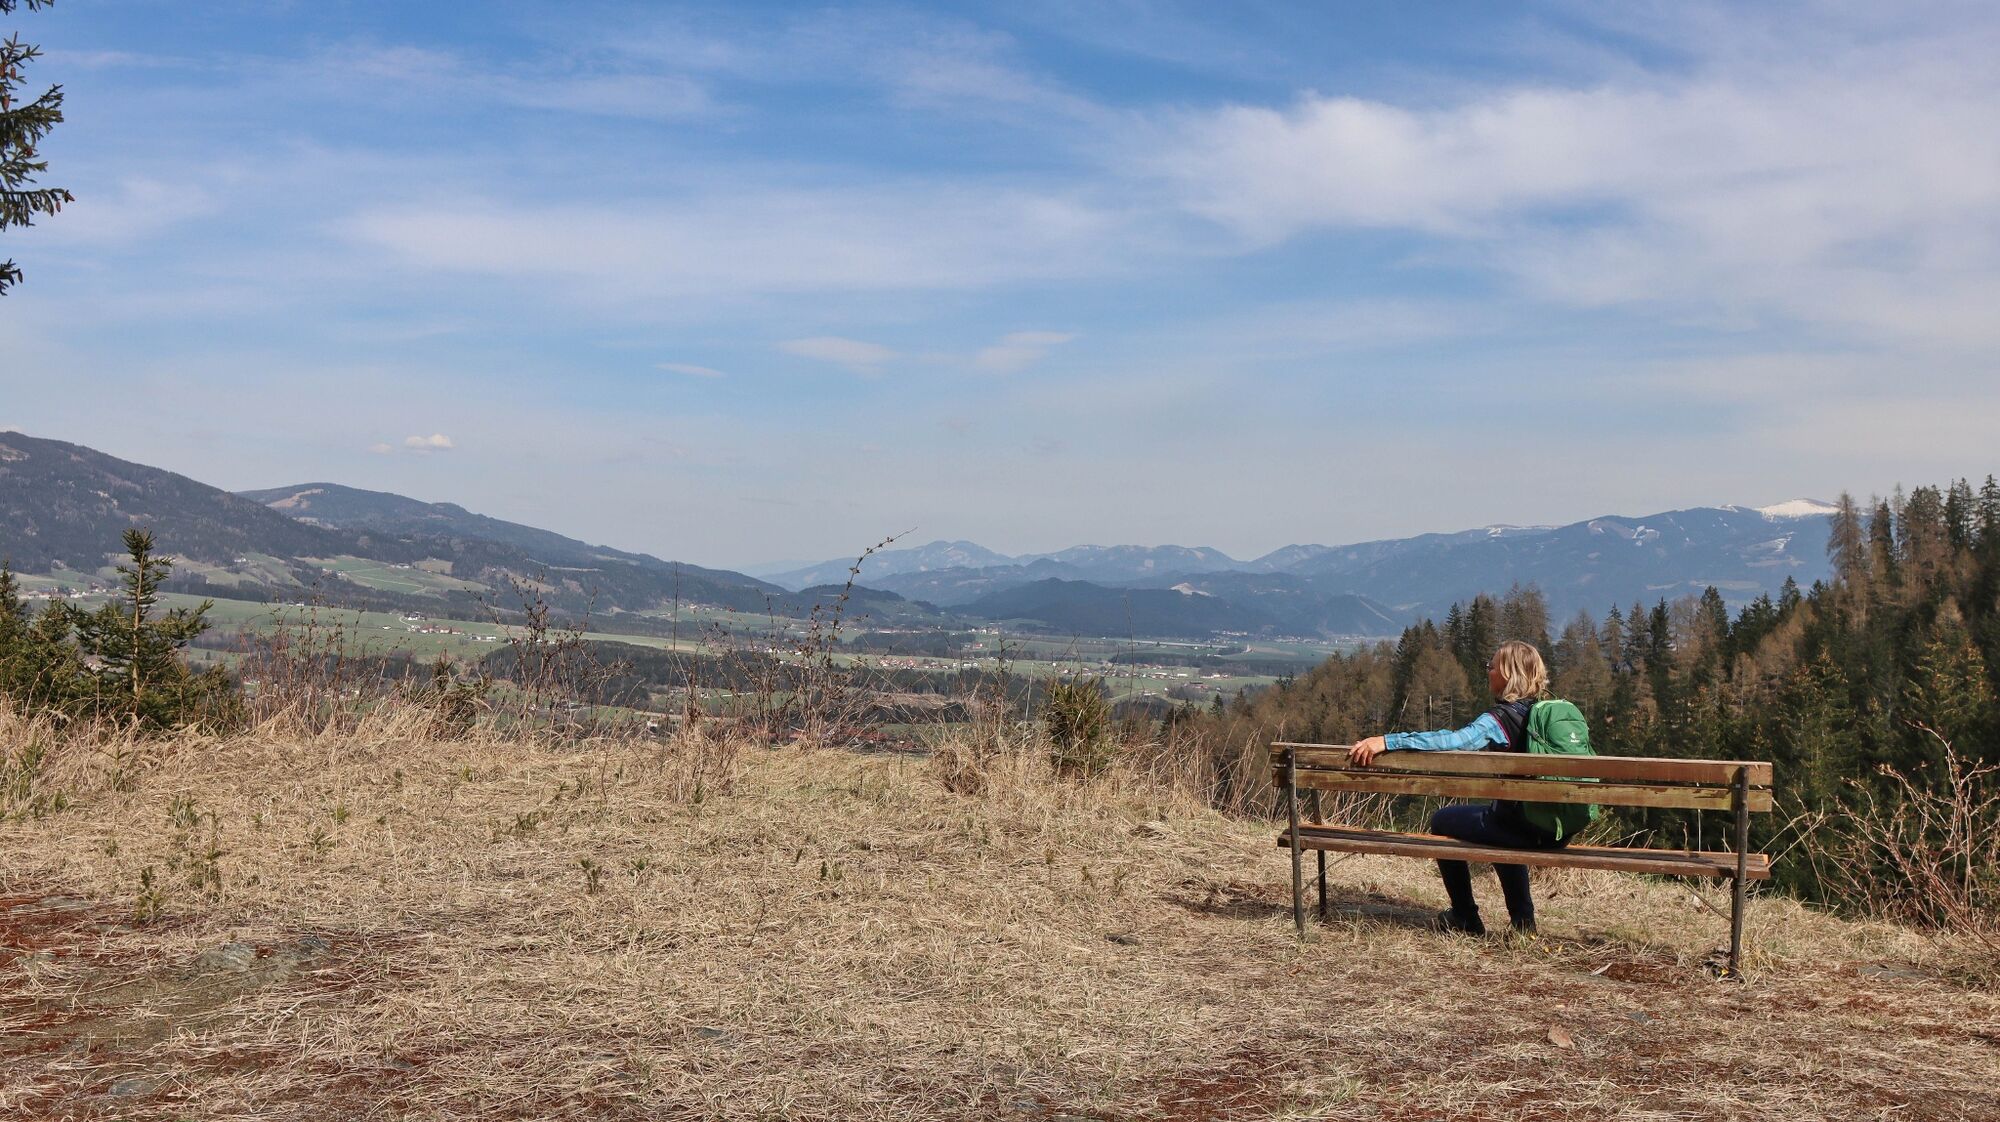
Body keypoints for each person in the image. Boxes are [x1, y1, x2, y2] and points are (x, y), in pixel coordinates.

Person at [1349, 640, 1564, 936]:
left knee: (1444, 821)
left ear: (1507, 674)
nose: (1488, 671)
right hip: (1556, 830)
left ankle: (1464, 916)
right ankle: (1523, 924)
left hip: (1523, 830)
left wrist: (1388, 740)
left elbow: (1454, 742)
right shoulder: (1551, 714)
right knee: (1502, 825)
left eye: (1491, 666)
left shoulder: (1499, 719)